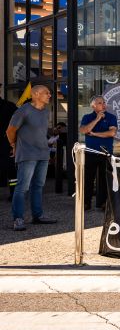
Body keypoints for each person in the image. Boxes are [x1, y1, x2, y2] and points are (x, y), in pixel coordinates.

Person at [6, 85, 57, 231]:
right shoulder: (23, 110)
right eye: (46, 93)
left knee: (38, 186)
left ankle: (38, 216)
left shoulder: (45, 111)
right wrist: (13, 144)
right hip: (27, 154)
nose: (49, 95)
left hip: (43, 154)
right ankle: (18, 219)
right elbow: (10, 130)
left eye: (49, 93)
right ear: (35, 94)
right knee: (22, 187)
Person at [79, 96, 117, 210]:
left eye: (104, 102)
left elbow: (112, 133)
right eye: (100, 103)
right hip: (90, 153)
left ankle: (103, 203)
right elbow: (84, 130)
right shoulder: (87, 117)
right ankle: (86, 203)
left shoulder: (111, 117)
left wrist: (95, 134)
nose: (103, 105)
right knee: (88, 179)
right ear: (93, 106)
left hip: (105, 153)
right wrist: (96, 119)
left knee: (104, 179)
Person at [0, 86, 18, 200]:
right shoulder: (10, 106)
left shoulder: (9, 106)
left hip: (7, 143)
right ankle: (13, 193)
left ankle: (13, 193)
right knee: (11, 171)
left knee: (11, 171)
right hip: (7, 143)